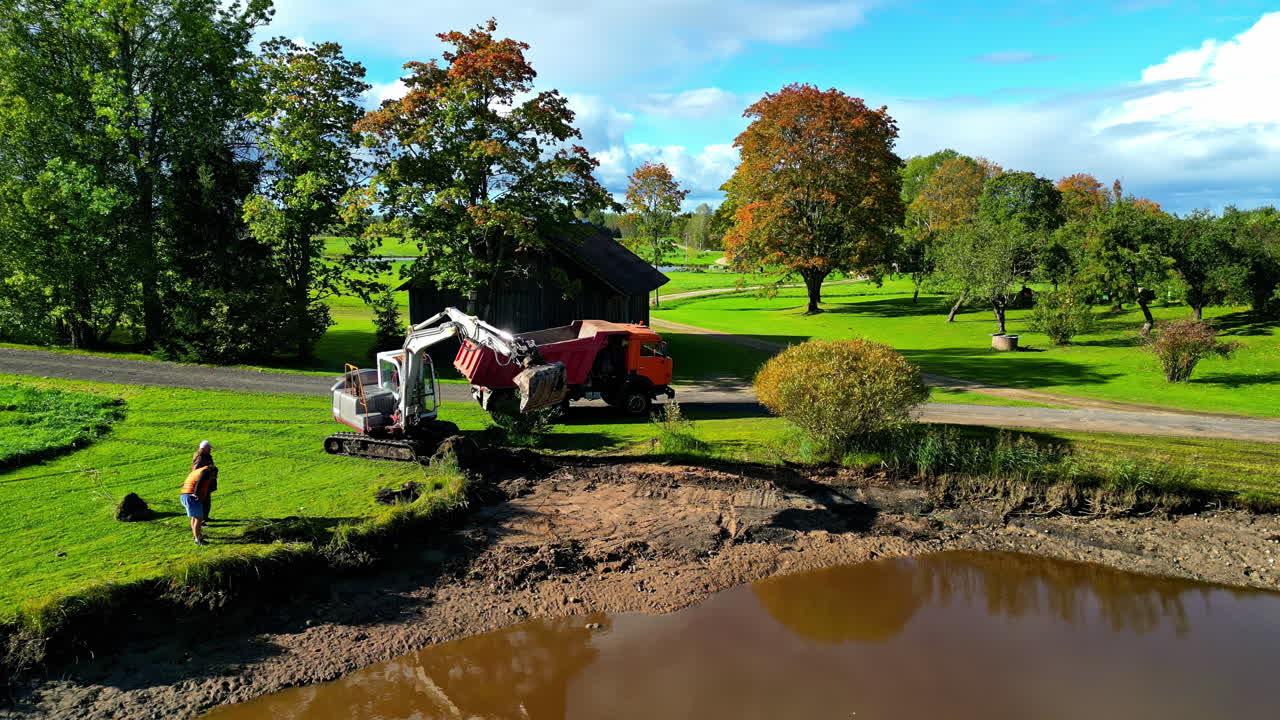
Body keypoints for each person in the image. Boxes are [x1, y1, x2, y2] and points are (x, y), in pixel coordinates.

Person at [180, 463, 212, 546]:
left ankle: (196, 536)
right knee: (199, 519)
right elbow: (199, 482)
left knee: (195, 518)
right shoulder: (206, 472)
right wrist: (196, 494)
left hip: (184, 495)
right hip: (191, 496)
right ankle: (198, 540)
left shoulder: (198, 471)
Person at [191, 440, 218, 522]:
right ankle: (202, 520)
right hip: (203, 482)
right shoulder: (200, 457)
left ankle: (205, 518)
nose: (210, 450)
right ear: (204, 448)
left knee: (207, 501)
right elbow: (196, 471)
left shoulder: (205, 455)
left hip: (206, 481)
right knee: (203, 501)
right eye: (209, 448)